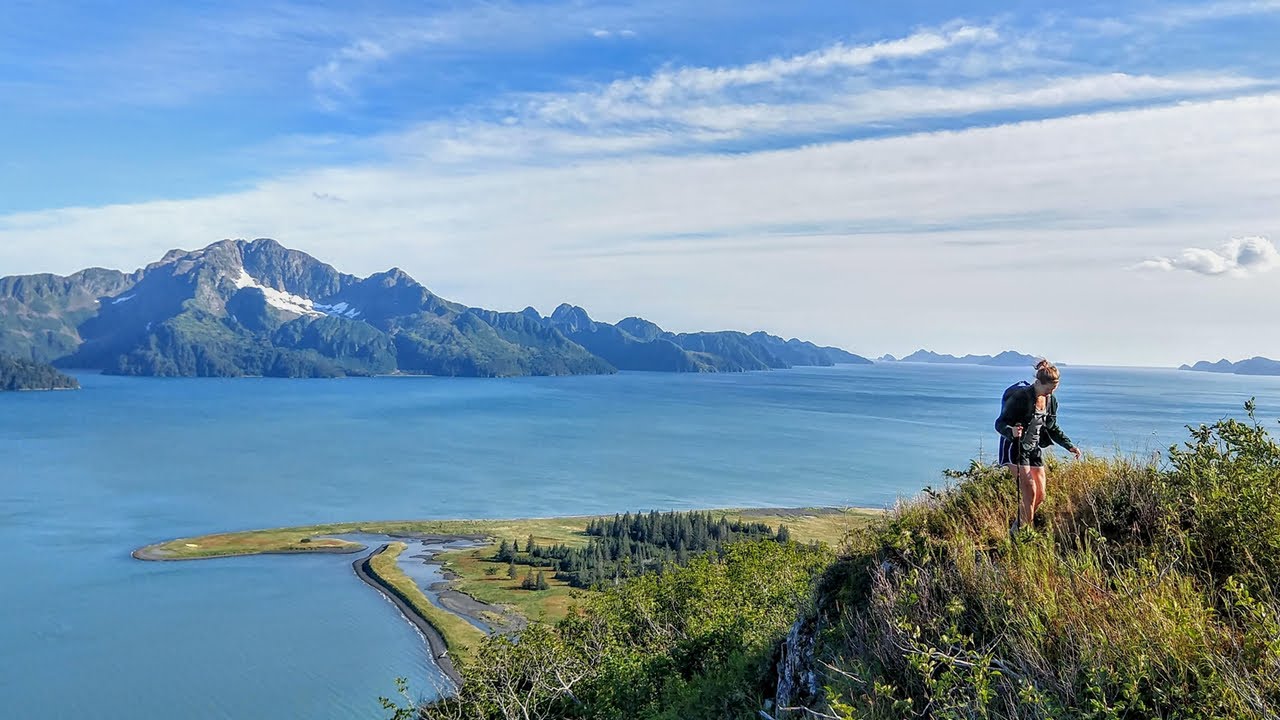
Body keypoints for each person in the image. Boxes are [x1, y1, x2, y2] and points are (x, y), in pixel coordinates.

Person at [995, 359, 1081, 535]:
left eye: (1054, 389)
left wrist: (1069, 445)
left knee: (1040, 494)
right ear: (1038, 383)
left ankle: (1017, 528)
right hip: (1014, 446)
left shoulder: (1051, 400)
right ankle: (1024, 534)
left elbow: (1052, 427)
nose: (1051, 392)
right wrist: (1011, 431)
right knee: (1030, 491)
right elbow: (999, 423)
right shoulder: (1021, 397)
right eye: (1049, 388)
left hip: (1033, 447)